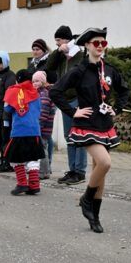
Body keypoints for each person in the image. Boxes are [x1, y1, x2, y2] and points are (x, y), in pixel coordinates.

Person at [50, 28, 130, 233]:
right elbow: (55, 91)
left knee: (99, 172)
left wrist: (117, 108)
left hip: (105, 125)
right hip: (86, 125)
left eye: (104, 43)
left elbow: (124, 90)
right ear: (87, 45)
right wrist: (72, 111)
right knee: (105, 163)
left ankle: (95, 216)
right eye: (96, 43)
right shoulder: (79, 70)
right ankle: (86, 198)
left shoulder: (109, 69)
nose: (101, 46)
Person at [45, 26, 87, 184]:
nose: (56, 43)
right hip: (65, 100)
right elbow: (49, 66)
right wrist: (58, 51)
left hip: (78, 99)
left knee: (79, 135)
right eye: (56, 40)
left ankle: (80, 171)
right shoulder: (61, 56)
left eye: (59, 40)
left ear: (67, 40)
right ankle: (72, 169)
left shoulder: (80, 54)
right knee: (68, 136)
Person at [4, 69, 46, 195]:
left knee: (15, 157)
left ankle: (22, 184)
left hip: (19, 130)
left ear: (18, 80)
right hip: (34, 130)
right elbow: (39, 109)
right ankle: (34, 185)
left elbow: (8, 109)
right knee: (33, 157)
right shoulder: (35, 92)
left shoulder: (15, 91)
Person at [0, 52, 17, 173]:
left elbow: (8, 96)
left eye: (0, 63)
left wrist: (6, 114)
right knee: (0, 138)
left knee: (6, 138)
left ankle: (7, 162)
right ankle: (3, 160)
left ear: (5, 62)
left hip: (5, 114)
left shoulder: (10, 76)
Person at [33, 70, 56, 180]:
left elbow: (43, 113)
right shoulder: (38, 93)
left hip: (43, 128)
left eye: (37, 81)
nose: (35, 83)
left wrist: (38, 126)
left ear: (43, 82)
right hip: (40, 127)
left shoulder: (44, 94)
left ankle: (44, 172)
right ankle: (42, 170)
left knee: (42, 150)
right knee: (40, 149)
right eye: (33, 81)